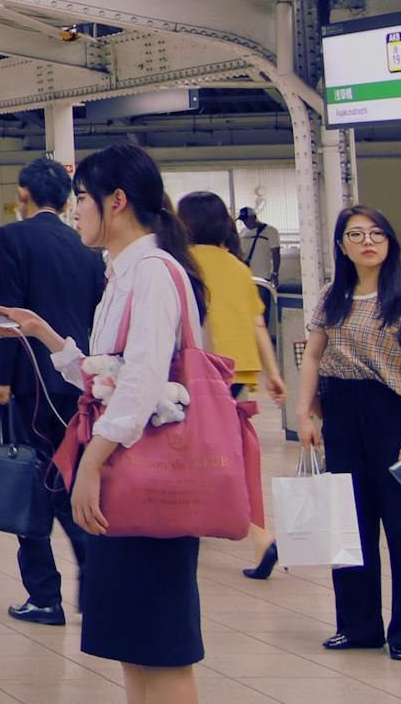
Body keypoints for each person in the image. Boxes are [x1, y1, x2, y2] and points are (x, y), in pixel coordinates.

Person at [0, 143, 211, 702]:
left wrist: (93, 461)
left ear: (118, 201)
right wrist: (43, 334)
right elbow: (106, 374)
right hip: (130, 474)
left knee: (162, 648)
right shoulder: (121, 273)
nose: (75, 210)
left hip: (148, 478)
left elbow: (141, 385)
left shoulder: (153, 273)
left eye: (82, 198)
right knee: (136, 645)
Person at [292, 204, 401, 660]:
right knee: (347, 523)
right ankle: (358, 626)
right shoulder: (332, 296)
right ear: (342, 246)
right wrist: (303, 414)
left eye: (377, 233)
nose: (368, 242)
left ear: (389, 242)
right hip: (342, 416)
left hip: (394, 420)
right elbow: (313, 355)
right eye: (357, 235)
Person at [0, 156, 107, 625]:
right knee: (70, 480)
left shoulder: (11, 237)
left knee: (32, 488)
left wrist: (0, 378)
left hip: (31, 383)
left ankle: (43, 595)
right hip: (78, 379)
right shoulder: (86, 246)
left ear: (24, 195)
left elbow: (8, 315)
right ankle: (96, 586)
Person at [180, 190, 286, 578]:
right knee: (221, 448)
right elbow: (258, 322)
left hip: (200, 372)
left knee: (203, 450)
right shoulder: (239, 268)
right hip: (238, 372)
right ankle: (213, 523)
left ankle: (258, 534)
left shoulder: (183, 265)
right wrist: (272, 373)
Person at [239, 207, 281, 288]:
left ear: (254, 217)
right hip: (246, 276)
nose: (245, 222)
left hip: (263, 276)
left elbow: (276, 253)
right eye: (243, 220)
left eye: (247, 219)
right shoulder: (242, 232)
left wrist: (275, 273)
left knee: (263, 299)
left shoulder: (270, 231)